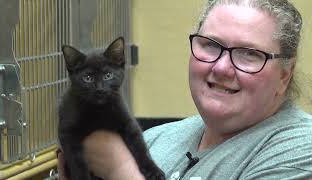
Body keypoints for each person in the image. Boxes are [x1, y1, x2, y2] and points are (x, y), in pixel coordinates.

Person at [58, 0, 312, 179]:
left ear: (284, 75)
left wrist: (120, 170)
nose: (222, 67)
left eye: (249, 54)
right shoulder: (157, 139)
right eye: (211, 45)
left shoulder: (300, 151)